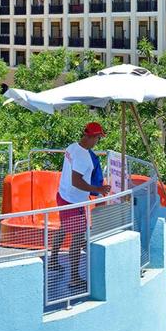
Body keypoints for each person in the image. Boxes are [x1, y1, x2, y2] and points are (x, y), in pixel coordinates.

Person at [49, 122, 110, 289]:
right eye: (98, 138)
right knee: (77, 239)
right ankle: (74, 278)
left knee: (63, 228)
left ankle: (53, 260)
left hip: (63, 195)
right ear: (92, 137)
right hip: (73, 202)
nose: (98, 141)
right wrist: (97, 189)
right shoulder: (84, 158)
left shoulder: (72, 147)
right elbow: (76, 181)